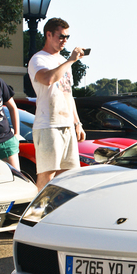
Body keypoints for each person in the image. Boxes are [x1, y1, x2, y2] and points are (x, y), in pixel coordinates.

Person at [28, 18, 86, 192]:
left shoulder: (63, 61)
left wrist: (77, 123)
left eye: (67, 37)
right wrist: (69, 61)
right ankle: (36, 214)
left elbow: (68, 94)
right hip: (48, 125)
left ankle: (58, 213)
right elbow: (47, 79)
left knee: (69, 175)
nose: (64, 41)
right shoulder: (38, 59)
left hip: (67, 125)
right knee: (47, 175)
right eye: (61, 36)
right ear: (49, 34)